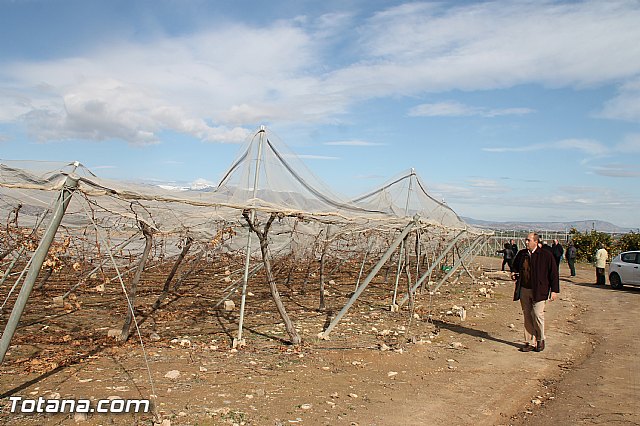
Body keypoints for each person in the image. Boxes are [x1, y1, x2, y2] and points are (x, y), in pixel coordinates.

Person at [511, 232, 560, 353]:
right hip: (525, 289)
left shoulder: (546, 255)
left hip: (540, 290)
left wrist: (554, 290)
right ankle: (529, 342)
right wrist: (513, 273)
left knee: (538, 315)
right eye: (526, 240)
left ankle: (540, 339)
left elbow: (553, 273)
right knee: (527, 315)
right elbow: (515, 266)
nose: (526, 242)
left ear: (536, 242)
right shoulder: (522, 254)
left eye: (529, 240)